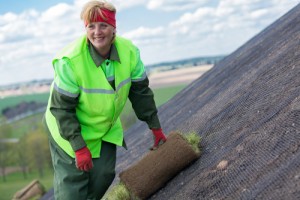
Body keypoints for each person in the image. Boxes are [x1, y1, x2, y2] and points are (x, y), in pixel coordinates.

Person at [43, 0, 167, 199]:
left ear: (113, 28)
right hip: (66, 129)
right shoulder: (71, 62)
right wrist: (79, 146)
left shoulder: (129, 53)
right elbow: (62, 109)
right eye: (91, 26)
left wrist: (155, 126)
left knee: (103, 176)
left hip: (102, 126)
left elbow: (141, 93)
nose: (97, 32)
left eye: (103, 25)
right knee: (73, 190)